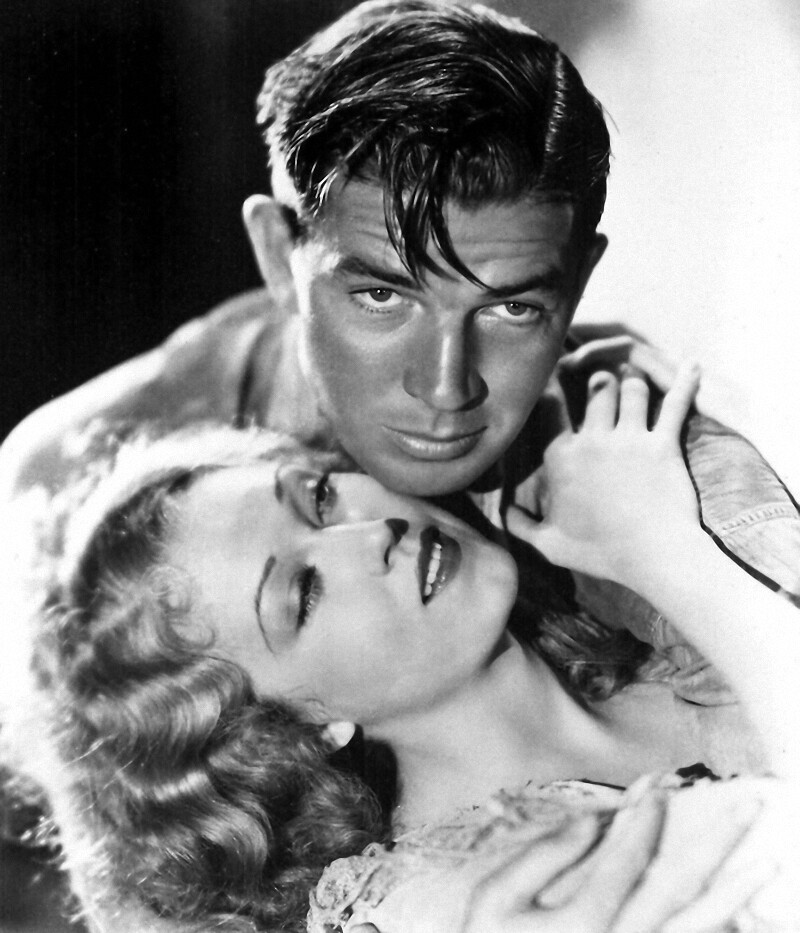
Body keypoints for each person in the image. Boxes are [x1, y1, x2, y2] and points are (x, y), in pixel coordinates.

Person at [1, 0, 798, 658]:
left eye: (512, 308)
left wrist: (679, 568)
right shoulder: (70, 496)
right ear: (277, 255)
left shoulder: (667, 471)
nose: (445, 386)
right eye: (383, 296)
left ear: (579, 280)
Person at [7, 368, 799, 933]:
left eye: (320, 497)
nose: (370, 535)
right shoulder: (435, 903)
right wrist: (675, 557)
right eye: (303, 593)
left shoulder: (653, 635)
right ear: (291, 733)